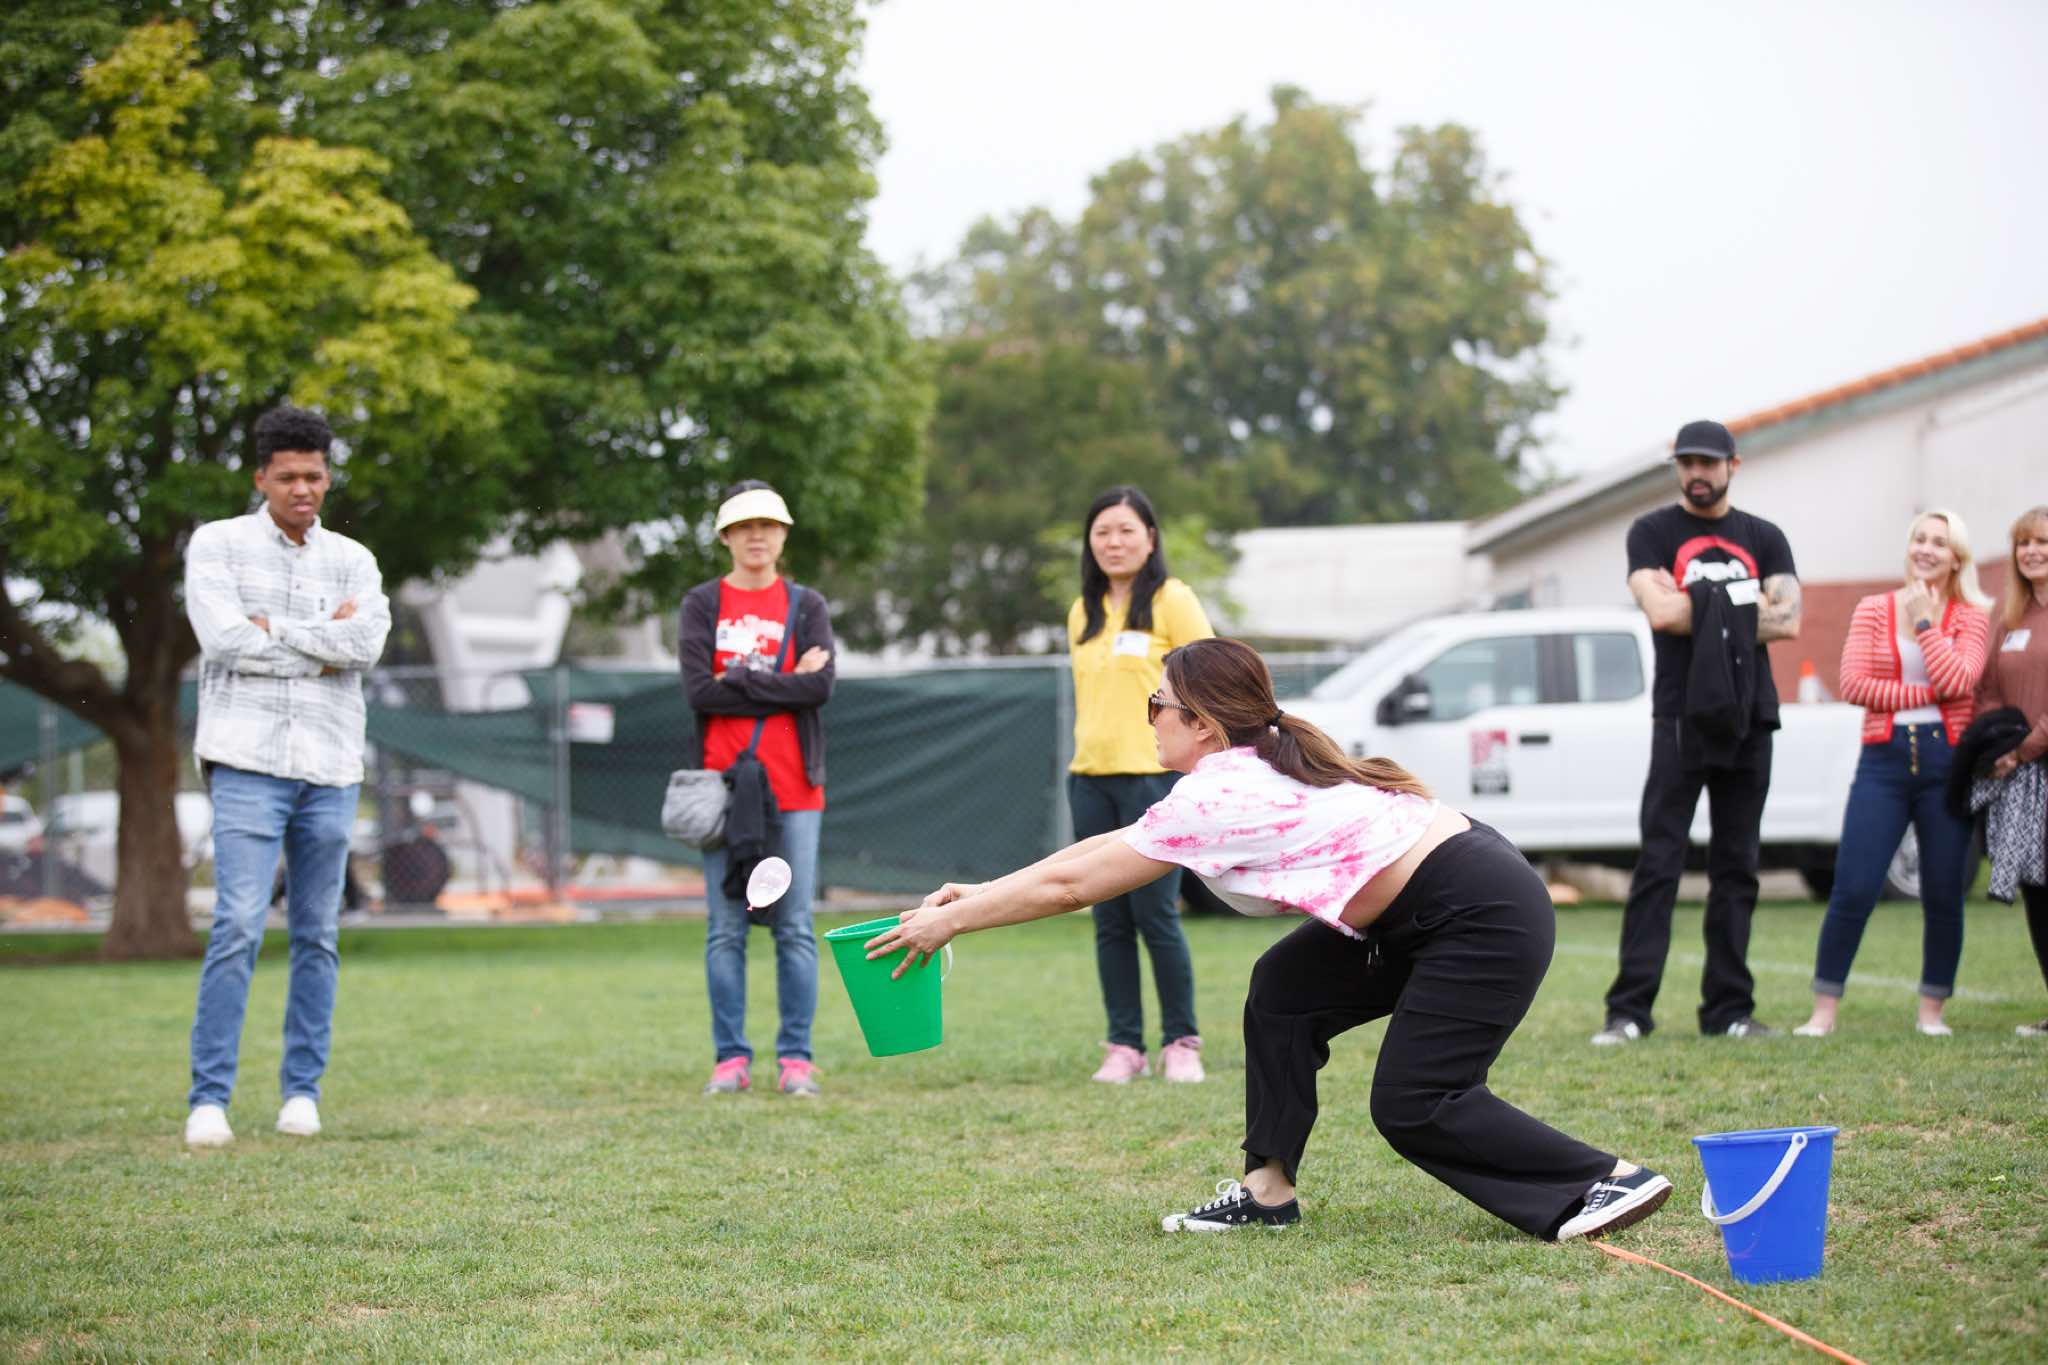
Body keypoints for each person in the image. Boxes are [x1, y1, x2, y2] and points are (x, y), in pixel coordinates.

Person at [870, 638, 1672, 1240]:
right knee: (1284, 992)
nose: (1150, 717)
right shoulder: (1234, 770)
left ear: (1203, 723)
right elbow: (1104, 850)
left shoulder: (1221, 792)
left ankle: (1604, 1178)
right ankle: (1267, 1190)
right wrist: (983, 891)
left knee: (1415, 1102)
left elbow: (1076, 887)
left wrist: (952, 921)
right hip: (1435, 902)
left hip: (1478, 910)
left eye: (1158, 704)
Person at [182, 406, 391, 1147]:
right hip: (247, 762)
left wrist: (279, 629)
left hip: (331, 766)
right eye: (288, 476)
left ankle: (302, 1093)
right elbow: (225, 640)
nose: (303, 488)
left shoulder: (354, 560)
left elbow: (368, 643)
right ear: (261, 478)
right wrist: (324, 644)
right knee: (237, 924)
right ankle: (209, 1098)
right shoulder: (218, 544)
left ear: (327, 477)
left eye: (314, 475)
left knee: (318, 933)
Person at [1594, 420, 1802, 1046]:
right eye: (1686, 462)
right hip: (1680, 719)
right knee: (1659, 865)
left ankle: (1729, 1011)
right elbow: (1660, 612)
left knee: (1738, 868)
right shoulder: (1652, 532)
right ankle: (1629, 1011)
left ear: (1733, 465)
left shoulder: (1764, 536)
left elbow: (1788, 620)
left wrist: (1699, 598)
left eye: (1708, 462)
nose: (1697, 473)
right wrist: (1743, 600)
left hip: (1750, 718)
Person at [1795, 511, 1991, 1039]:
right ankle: (1823, 1012)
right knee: (1854, 887)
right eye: (1919, 539)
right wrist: (1929, 694)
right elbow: (1855, 685)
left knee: (1944, 891)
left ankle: (1932, 1012)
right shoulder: (1872, 609)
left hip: (1946, 763)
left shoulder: (1971, 616)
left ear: (1957, 558)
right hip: (1883, 760)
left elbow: (1962, 678)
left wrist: (1926, 623)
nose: (1926, 549)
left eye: (1939, 543)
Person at [679, 481, 836, 1097]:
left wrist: (737, 678)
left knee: (794, 927)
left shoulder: (806, 604)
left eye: (767, 525)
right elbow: (699, 691)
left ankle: (796, 1059)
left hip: (795, 791)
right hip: (720, 793)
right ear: (725, 537)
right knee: (727, 929)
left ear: (783, 534)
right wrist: (781, 679)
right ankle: (731, 1060)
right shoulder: (701, 603)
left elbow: (819, 688)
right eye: (744, 527)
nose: (756, 536)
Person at [1064, 487, 1216, 1083]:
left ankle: (1181, 1041)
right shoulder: (1083, 611)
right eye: (1102, 531)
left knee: (1157, 914)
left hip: (1154, 779)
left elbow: (1211, 678)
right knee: (1108, 919)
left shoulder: (1173, 599)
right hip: (1090, 779)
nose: (1114, 542)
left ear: (1150, 538)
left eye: (1126, 530)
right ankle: (1124, 1045)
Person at [1973, 506, 2048, 1037]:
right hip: (2022, 778)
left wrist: (2026, 747)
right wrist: (1999, 746)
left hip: (2034, 758)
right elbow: (1988, 690)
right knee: (2037, 890)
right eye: (2023, 543)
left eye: (2042, 542)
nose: (2032, 552)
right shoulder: (2011, 620)